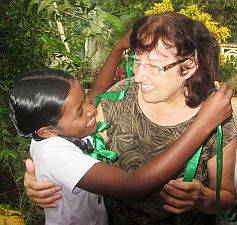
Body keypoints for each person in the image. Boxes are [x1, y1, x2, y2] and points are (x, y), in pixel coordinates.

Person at [23, 12, 236, 225]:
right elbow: (69, 143)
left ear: (189, 66)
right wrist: (44, 180)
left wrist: (203, 199)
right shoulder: (119, 98)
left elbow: (226, 196)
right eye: (137, 60)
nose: (138, 76)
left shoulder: (216, 116)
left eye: (153, 66)